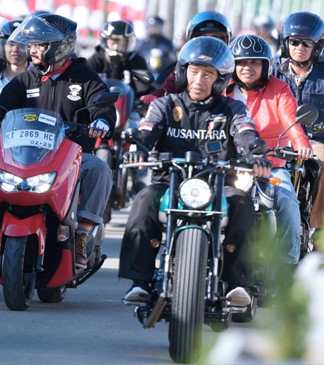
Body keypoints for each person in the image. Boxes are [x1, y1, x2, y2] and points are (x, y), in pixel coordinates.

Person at [119, 36, 271, 306]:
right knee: (143, 201)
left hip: (218, 186)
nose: (199, 79)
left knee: (243, 204)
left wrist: (255, 152)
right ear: (182, 73)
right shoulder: (163, 105)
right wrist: (138, 150)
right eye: (194, 71)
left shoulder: (233, 109)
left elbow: (246, 131)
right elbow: (146, 131)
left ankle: (237, 284)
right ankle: (139, 282)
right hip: (170, 183)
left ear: (220, 79)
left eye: (208, 73)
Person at [0, 14, 116, 268]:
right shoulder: (25, 79)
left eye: (39, 44)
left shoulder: (85, 78)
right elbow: (0, 106)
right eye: (30, 45)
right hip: (26, 155)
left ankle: (83, 232)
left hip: (70, 155)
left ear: (59, 46)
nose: (32, 50)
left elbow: (103, 108)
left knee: (99, 168)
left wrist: (102, 122)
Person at [225, 34, 313, 264]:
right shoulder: (222, 88)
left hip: (270, 165)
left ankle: (286, 263)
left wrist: (301, 144)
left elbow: (291, 121)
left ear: (265, 65)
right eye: (241, 62)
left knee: (287, 202)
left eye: (254, 62)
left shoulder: (280, 89)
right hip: (227, 165)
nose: (247, 67)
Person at [273, 12, 324, 230]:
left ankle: (321, 232)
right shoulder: (272, 70)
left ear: (317, 47)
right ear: (286, 43)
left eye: (306, 43)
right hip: (278, 140)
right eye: (294, 41)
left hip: (314, 141)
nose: (299, 47)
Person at [139, 10, 232, 105]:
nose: (208, 43)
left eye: (216, 38)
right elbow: (167, 89)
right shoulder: (182, 67)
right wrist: (148, 100)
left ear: (226, 41)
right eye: (201, 37)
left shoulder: (232, 68)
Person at [88, 20, 149, 98]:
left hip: (129, 108)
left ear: (128, 43)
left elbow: (144, 91)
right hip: (99, 108)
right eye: (113, 43)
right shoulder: (95, 61)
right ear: (105, 42)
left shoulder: (137, 62)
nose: (116, 47)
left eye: (121, 44)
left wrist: (143, 100)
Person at [0, 19, 29, 86]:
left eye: (21, 44)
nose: (15, 49)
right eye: (11, 44)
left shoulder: (39, 77)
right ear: (2, 46)